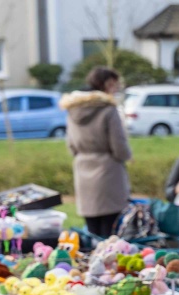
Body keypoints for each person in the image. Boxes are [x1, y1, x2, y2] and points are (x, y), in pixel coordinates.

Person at [60, 66, 132, 238]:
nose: (116, 89)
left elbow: (70, 144)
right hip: (109, 172)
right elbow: (119, 145)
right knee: (111, 232)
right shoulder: (108, 109)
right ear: (106, 84)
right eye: (114, 84)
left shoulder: (72, 109)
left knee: (92, 231)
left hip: (83, 170)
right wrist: (126, 157)